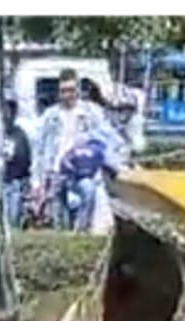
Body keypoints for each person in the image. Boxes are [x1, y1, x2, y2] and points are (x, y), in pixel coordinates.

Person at [27, 68, 126, 231]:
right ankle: (65, 237)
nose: (67, 94)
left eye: (71, 90)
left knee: (88, 193)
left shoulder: (92, 113)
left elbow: (111, 139)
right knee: (58, 215)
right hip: (56, 171)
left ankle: (81, 232)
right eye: (63, 91)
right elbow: (38, 149)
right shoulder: (50, 116)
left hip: (83, 170)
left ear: (78, 90)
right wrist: (36, 181)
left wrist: (115, 164)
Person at [0, 97, 32, 230]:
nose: (6, 115)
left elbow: (26, 161)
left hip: (14, 184)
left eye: (9, 111)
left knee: (12, 220)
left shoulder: (21, 135)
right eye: (4, 110)